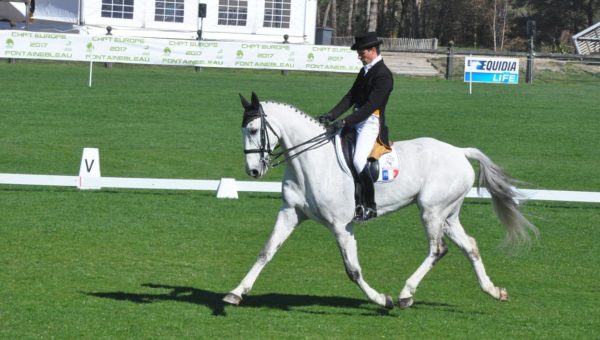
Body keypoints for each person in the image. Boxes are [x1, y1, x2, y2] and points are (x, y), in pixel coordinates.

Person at [319, 32, 394, 222]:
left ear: (372, 50)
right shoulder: (365, 71)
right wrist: (331, 115)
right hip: (357, 119)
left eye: (362, 52)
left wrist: (345, 122)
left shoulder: (384, 75)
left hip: (370, 122)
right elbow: (351, 96)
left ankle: (369, 204)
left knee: (359, 161)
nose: (359, 55)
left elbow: (370, 107)